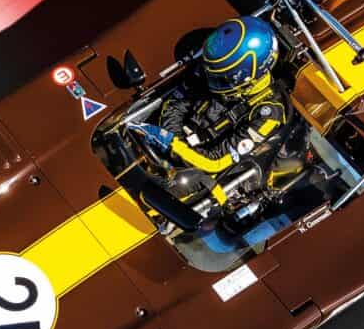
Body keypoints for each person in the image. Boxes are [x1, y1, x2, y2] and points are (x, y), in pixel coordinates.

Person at [129, 15, 305, 213]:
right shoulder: (216, 69)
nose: (212, 80)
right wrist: (171, 136)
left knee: (152, 196)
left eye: (221, 78)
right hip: (173, 139)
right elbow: (176, 103)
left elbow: (214, 162)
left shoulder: (268, 114)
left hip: (203, 167)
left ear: (248, 76)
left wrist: (169, 142)